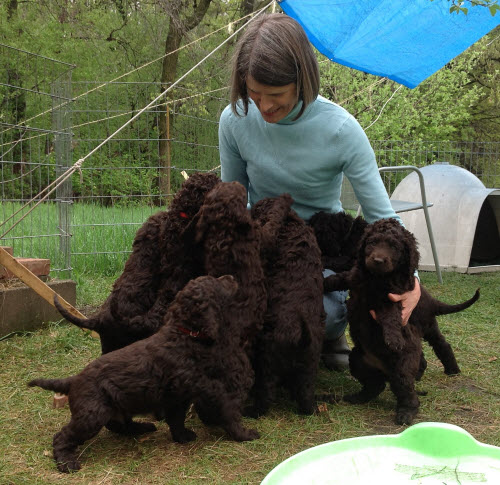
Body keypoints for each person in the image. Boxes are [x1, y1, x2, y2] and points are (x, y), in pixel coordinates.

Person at [218, 13, 420, 370]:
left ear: (303, 80)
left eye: (276, 95)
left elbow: (380, 214)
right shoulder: (234, 120)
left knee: (319, 313)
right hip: (266, 241)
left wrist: (412, 282)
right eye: (254, 93)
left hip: (324, 252)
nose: (263, 106)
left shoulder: (342, 130)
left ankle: (329, 334)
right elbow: (233, 200)